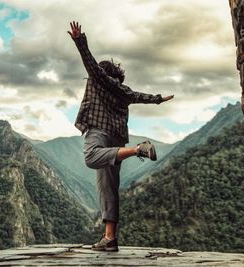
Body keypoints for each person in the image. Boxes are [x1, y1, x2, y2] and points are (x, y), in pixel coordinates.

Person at [68, 21, 174, 252]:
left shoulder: (100, 80)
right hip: (117, 139)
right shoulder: (123, 90)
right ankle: (110, 238)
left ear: (103, 73)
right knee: (108, 188)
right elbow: (139, 96)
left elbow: (90, 64)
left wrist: (79, 40)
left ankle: (139, 149)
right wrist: (158, 99)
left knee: (91, 157)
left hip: (99, 132)